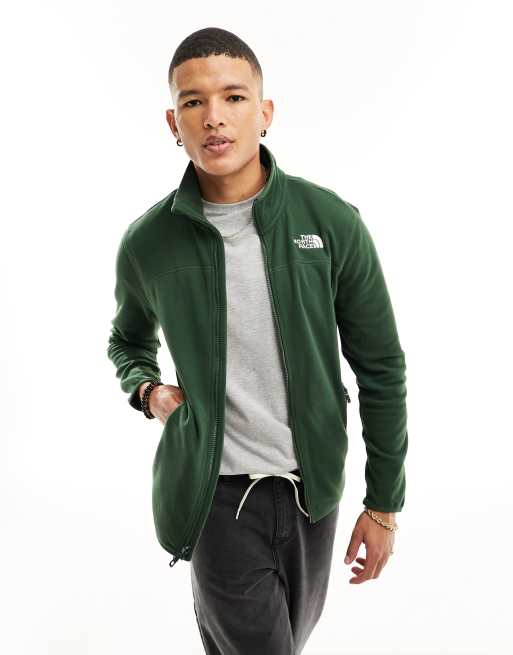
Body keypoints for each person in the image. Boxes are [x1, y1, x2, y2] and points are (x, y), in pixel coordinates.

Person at [107, 26, 408, 655]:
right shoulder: (149, 243)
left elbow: (380, 366)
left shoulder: (330, 222)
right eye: (193, 102)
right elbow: (127, 341)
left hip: (314, 492)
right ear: (174, 123)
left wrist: (383, 504)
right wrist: (149, 392)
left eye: (234, 97)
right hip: (216, 497)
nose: (213, 117)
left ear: (265, 113)